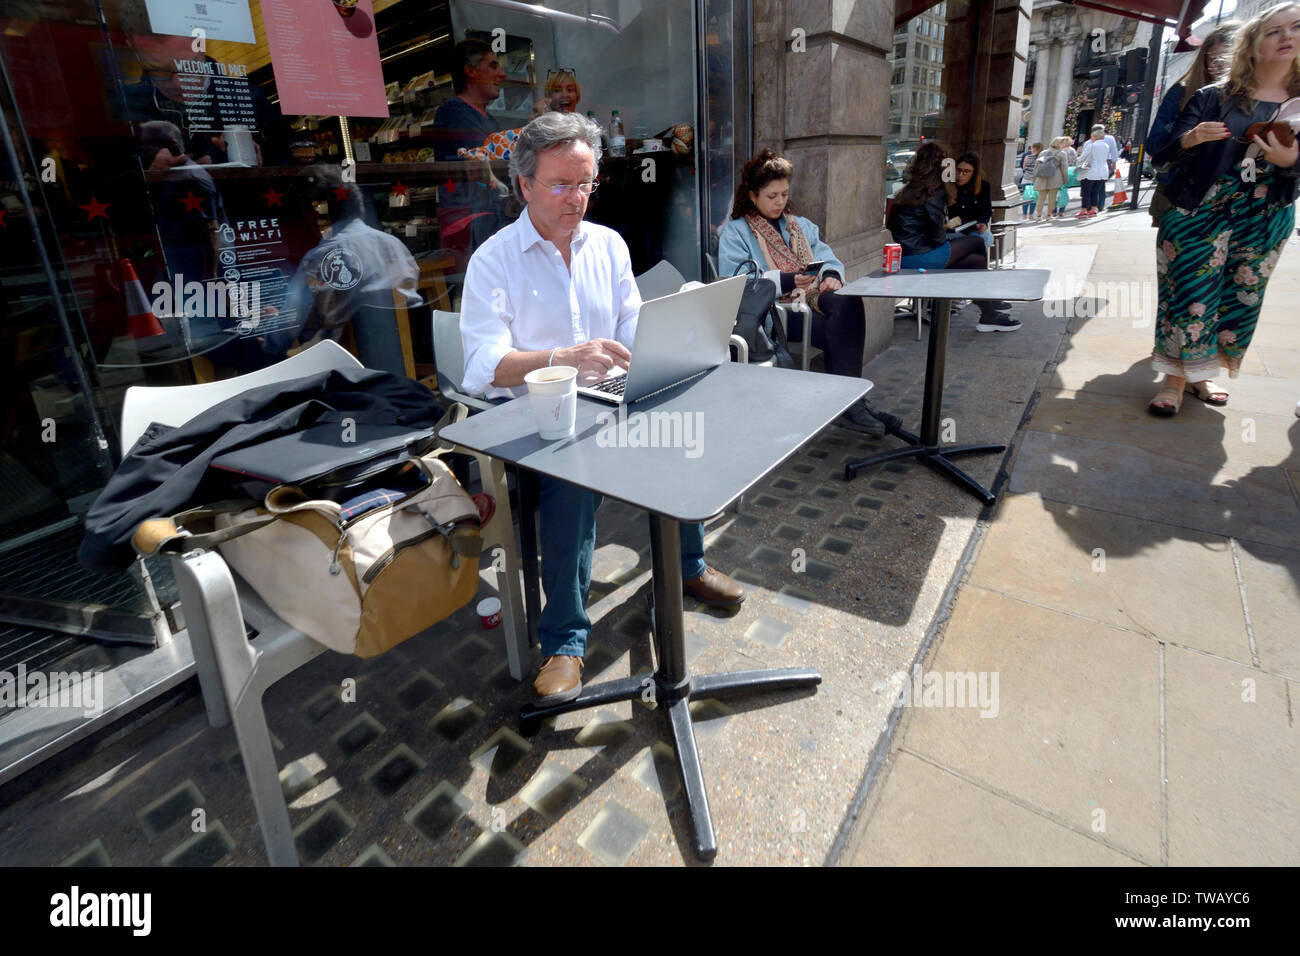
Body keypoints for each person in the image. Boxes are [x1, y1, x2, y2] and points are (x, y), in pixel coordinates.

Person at [459, 112, 746, 703]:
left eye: (586, 183)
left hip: (610, 398)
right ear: (525, 186)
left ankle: (687, 566)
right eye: (562, 185)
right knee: (574, 480)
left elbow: (630, 324)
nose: (577, 198)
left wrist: (675, 333)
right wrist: (562, 357)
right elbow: (483, 367)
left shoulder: (609, 244)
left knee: (680, 429)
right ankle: (565, 641)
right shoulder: (494, 259)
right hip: (540, 421)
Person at [1145, 2, 1300, 416]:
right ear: (1252, 44)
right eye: (1274, 31)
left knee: (1239, 298)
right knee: (1190, 296)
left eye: (1297, 27)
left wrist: (1290, 164)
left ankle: (1201, 373)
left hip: (1267, 212)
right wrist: (1191, 139)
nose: (1287, 37)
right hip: (1201, 206)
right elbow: (1160, 151)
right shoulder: (1213, 96)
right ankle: (1174, 380)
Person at [717, 149, 879, 433]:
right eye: (772, 196)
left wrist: (829, 275)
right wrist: (788, 281)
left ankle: (847, 402)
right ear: (753, 195)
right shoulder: (736, 232)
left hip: (810, 298)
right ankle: (850, 403)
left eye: (784, 194)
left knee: (848, 303)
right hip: (774, 311)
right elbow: (736, 282)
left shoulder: (799, 225)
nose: (780, 202)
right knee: (839, 330)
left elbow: (826, 256)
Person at [887, 141, 1019, 332]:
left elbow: (895, 225)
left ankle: (988, 312)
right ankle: (986, 307)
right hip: (922, 256)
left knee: (974, 260)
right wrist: (950, 236)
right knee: (976, 242)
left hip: (904, 256)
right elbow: (937, 238)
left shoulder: (907, 191)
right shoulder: (933, 192)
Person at [1147, 21, 1241, 226]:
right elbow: (1154, 145)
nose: (1218, 65)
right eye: (1213, 58)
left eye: (1226, 58)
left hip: (1232, 199)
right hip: (1179, 191)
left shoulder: (1254, 100)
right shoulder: (1182, 92)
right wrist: (1188, 130)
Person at [947, 151, 994, 249]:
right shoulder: (949, 185)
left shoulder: (983, 186)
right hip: (953, 231)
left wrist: (982, 223)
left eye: (966, 171)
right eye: (958, 170)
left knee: (986, 238)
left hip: (973, 229)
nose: (960, 175)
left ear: (973, 173)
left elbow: (986, 210)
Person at [1030, 136, 1067, 222]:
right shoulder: (1062, 154)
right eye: (1063, 143)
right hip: (1055, 177)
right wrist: (1065, 179)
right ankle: (1048, 215)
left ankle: (1039, 216)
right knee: (1052, 197)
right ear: (1059, 144)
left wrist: (1034, 177)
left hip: (1042, 177)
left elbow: (1037, 166)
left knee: (1041, 197)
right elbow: (1064, 168)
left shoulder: (1043, 152)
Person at [1076, 128, 1110, 217]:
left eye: (1092, 137)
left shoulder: (1092, 145)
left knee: (1086, 192)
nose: (1091, 138)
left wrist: (1076, 160)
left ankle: (1084, 210)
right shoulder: (1106, 145)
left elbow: (1083, 157)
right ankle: (1093, 209)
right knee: (1095, 191)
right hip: (1102, 170)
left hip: (1090, 171)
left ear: (1095, 136)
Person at [1053, 136, 1077, 217]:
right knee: (1063, 192)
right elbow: (1074, 162)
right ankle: (1061, 210)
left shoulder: (1060, 151)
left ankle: (1054, 211)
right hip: (1068, 173)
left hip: (1058, 173)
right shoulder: (1073, 151)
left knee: (1055, 192)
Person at [1020, 142, 1042, 215]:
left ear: (1035, 148)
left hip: (1026, 179)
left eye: (1032, 147)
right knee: (1034, 198)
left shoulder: (1027, 157)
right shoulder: (1041, 158)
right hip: (1035, 180)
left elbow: (1023, 168)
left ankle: (1024, 215)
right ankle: (1031, 215)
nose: (1031, 149)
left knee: (1026, 197)